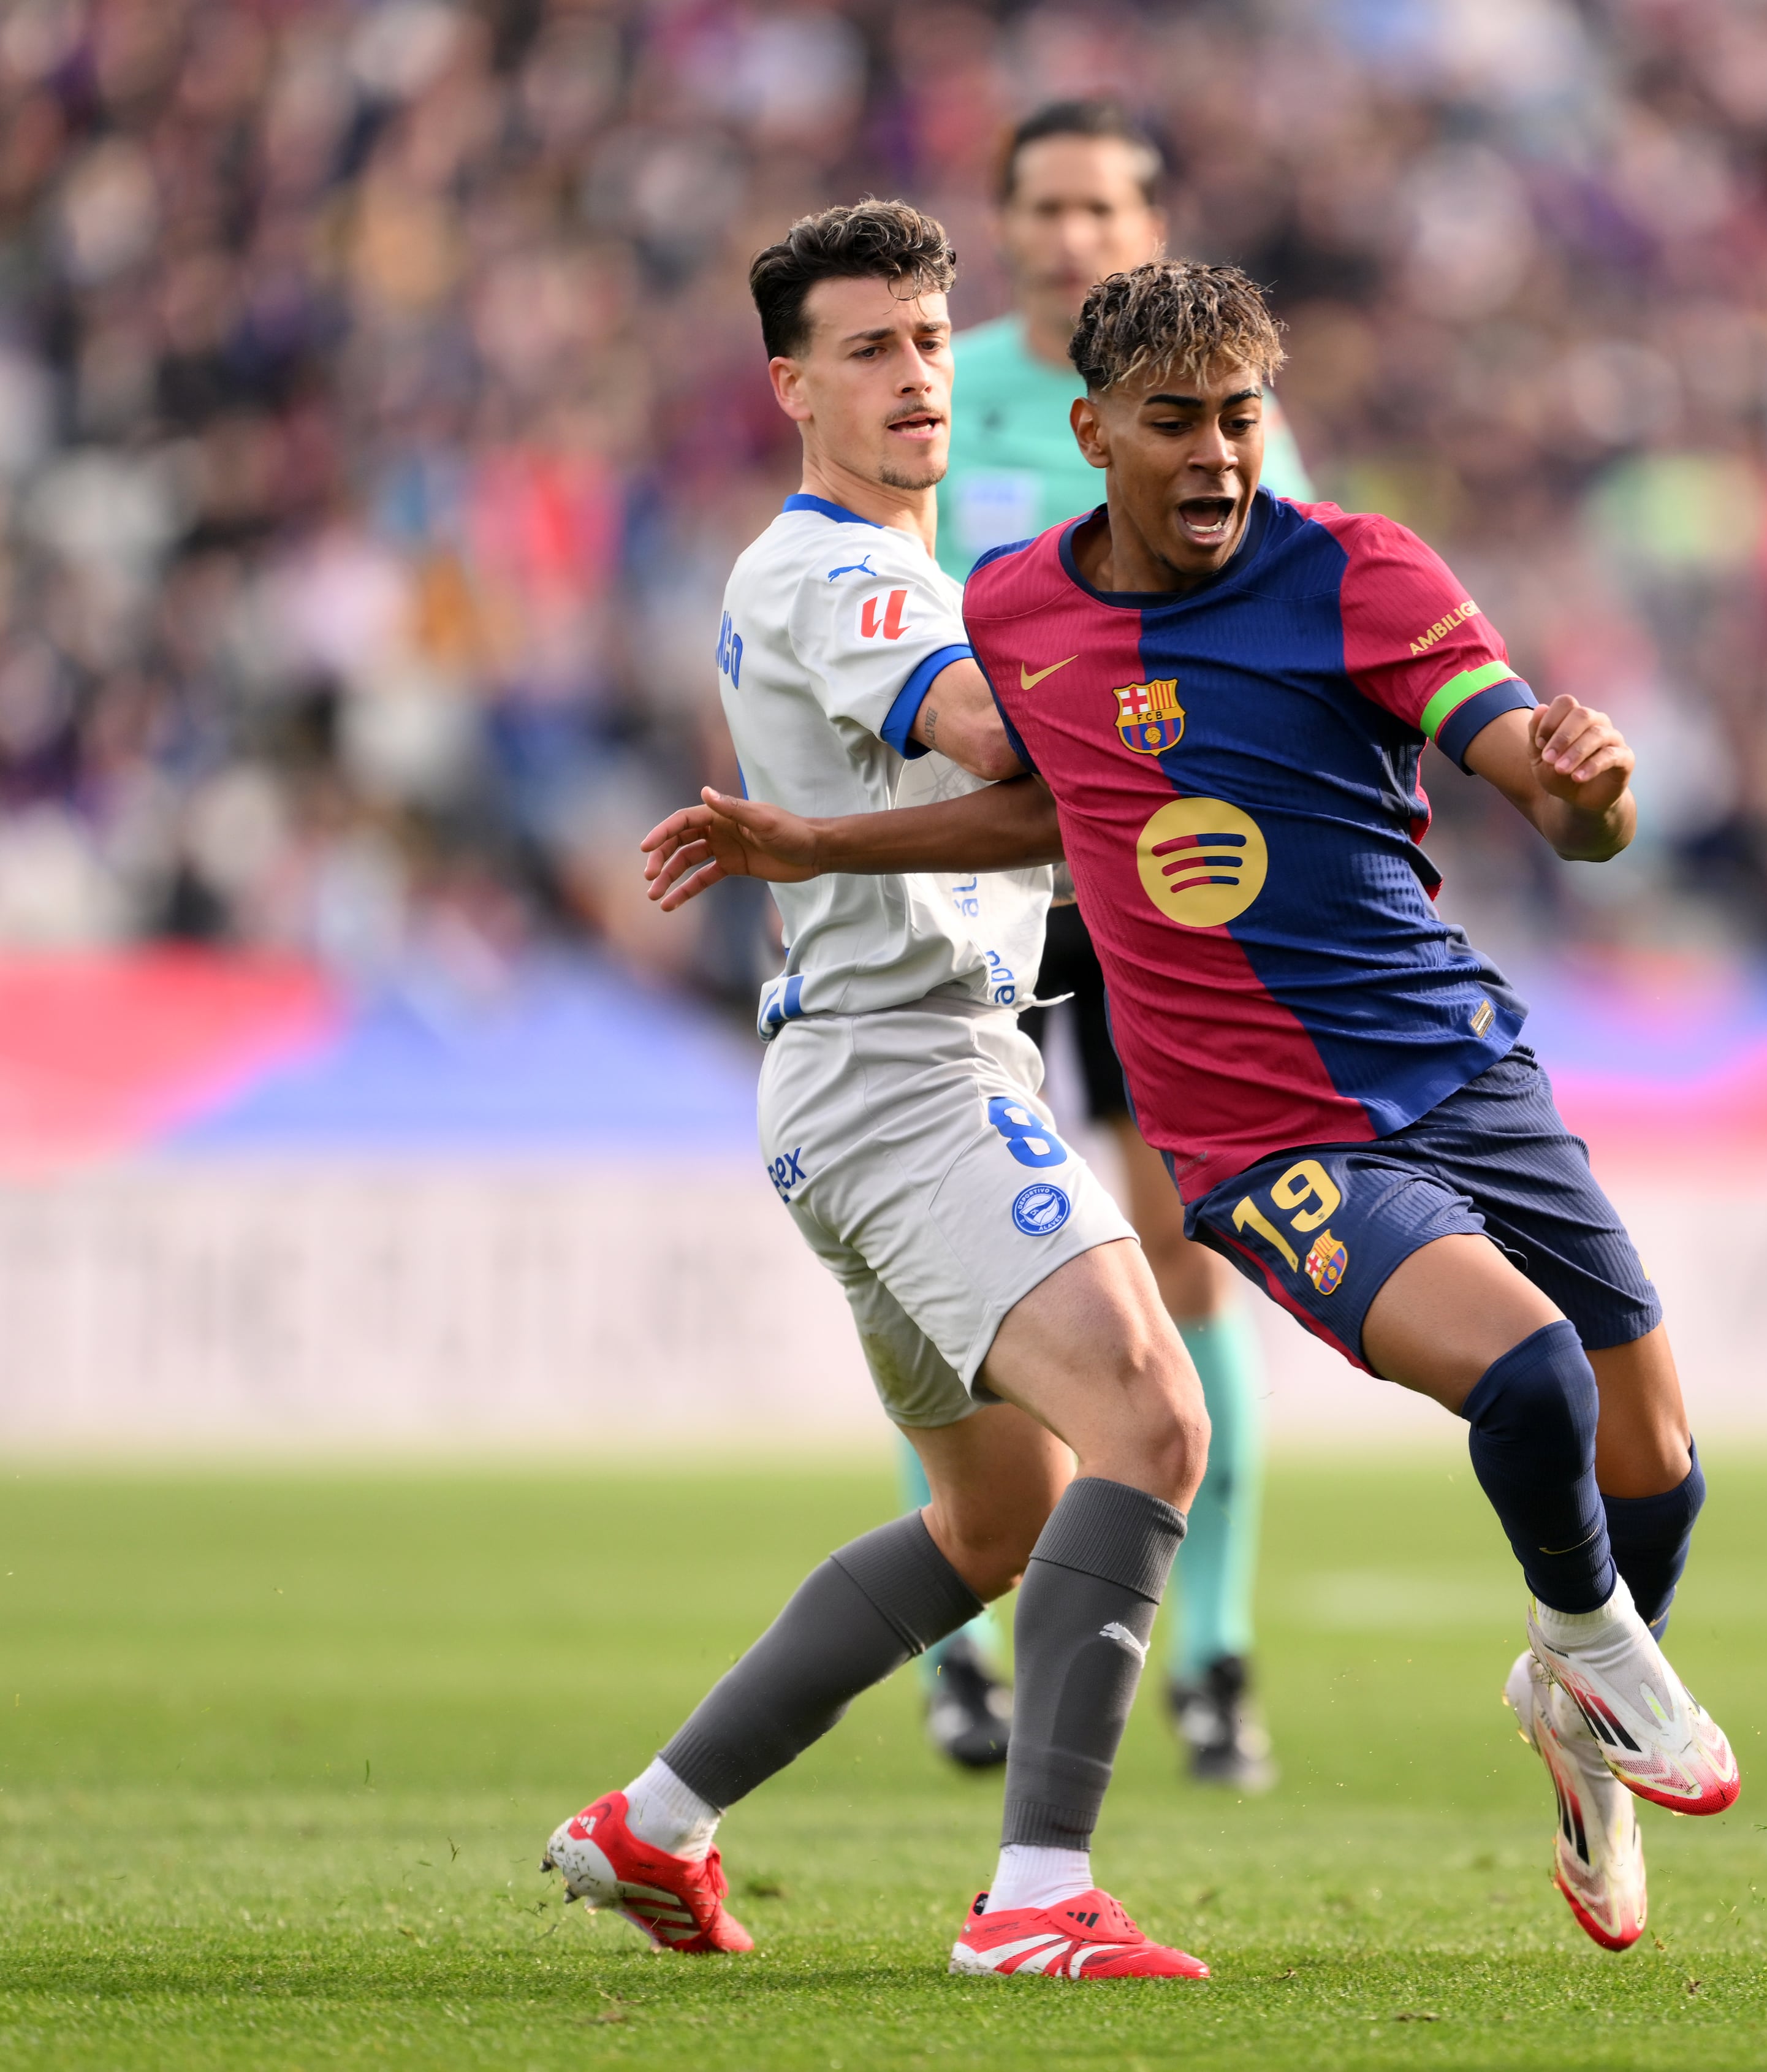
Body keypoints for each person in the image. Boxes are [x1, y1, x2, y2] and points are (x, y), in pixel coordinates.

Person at [640, 258, 1734, 1956]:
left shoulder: (1363, 571)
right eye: (1179, 423)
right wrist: (816, 842)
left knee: (1654, 1459)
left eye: (1242, 419)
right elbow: (1050, 793)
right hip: (1262, 1132)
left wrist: (1590, 802)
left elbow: (1532, 772)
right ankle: (1591, 1652)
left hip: (1461, 1065)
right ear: (1093, 434)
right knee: (1512, 1369)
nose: (1220, 455)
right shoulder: (1007, 607)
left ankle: (1573, 1701)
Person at [544, 199, 1214, 1982]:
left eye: (930, 338)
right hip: (913, 1076)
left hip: (874, 1071)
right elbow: (1006, 745)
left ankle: (656, 1820)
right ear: (792, 386)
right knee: (1154, 1419)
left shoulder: (910, 567)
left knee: (997, 1517)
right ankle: (1034, 1898)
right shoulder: (839, 572)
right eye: (867, 350)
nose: (916, 376)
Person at [891, 98, 1313, 1788]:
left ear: (1149, 226)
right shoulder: (941, 398)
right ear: (1006, 228)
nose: (1074, 235)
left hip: (1158, 876)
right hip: (984, 874)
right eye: (1046, 207)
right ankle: (962, 1639)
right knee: (954, 1248)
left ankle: (1213, 1656)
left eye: (1103, 207)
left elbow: (1296, 608)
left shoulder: (1223, 415)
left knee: (1190, 1244)